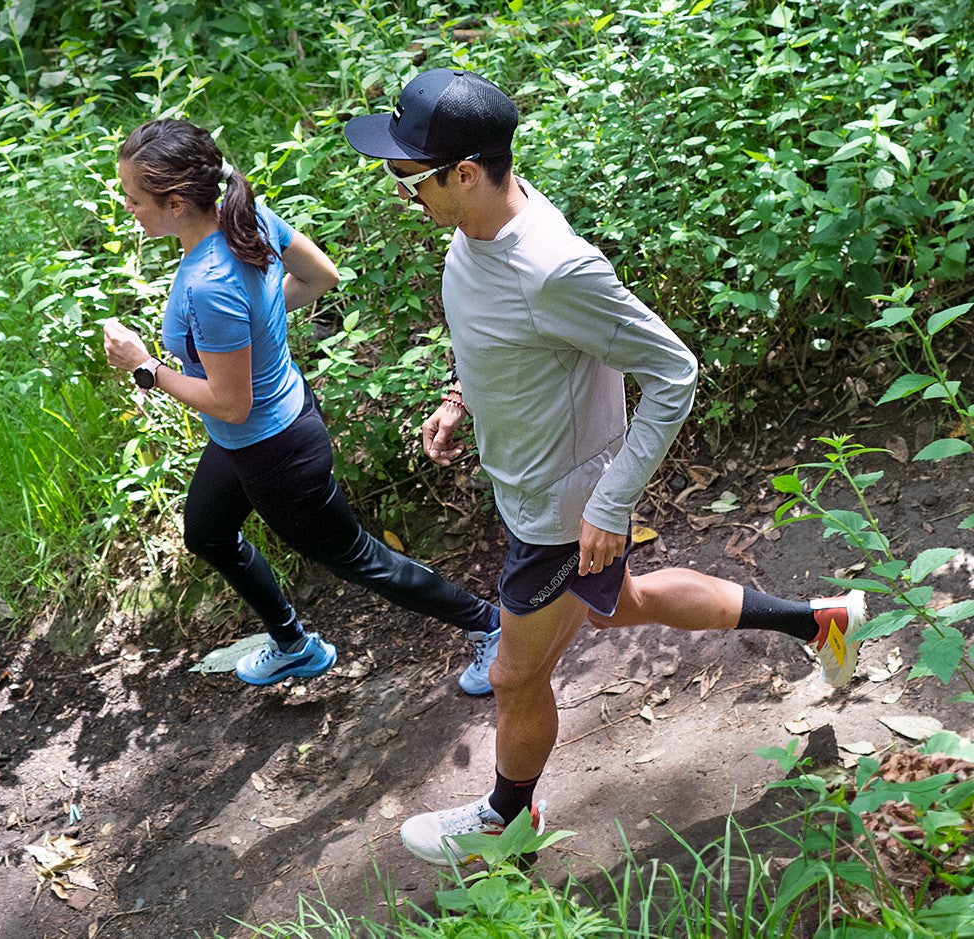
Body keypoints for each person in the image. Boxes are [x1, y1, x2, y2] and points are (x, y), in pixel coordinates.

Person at [344, 68, 867, 865]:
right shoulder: (475, 226)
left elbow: (674, 373)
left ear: (463, 173)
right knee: (626, 603)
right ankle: (820, 621)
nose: (398, 189)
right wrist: (459, 395)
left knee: (516, 674)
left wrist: (611, 501)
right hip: (533, 490)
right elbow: (500, 335)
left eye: (407, 176)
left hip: (564, 513)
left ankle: (505, 820)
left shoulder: (556, 267)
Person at [102, 117, 502, 694]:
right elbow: (319, 277)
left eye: (134, 200)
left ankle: (491, 626)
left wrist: (145, 368)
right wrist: (257, 328)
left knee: (357, 558)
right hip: (256, 435)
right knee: (208, 534)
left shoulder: (209, 283)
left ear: (176, 202)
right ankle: (294, 646)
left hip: (274, 451)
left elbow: (229, 403)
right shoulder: (247, 218)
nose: (128, 209)